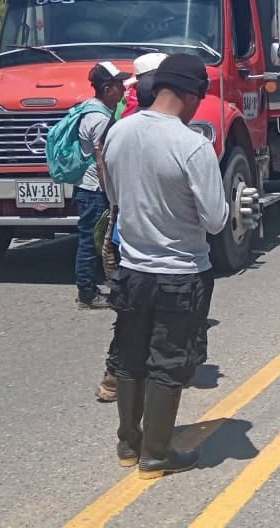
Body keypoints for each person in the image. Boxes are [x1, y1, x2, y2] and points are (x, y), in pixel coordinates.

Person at [101, 53, 230, 478]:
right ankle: (156, 451)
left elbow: (114, 196)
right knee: (168, 361)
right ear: (191, 94)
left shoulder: (118, 133)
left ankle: (128, 443)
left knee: (130, 356)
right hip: (180, 271)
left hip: (133, 267)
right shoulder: (192, 145)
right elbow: (215, 219)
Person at [94, 52, 171, 402]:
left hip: (124, 228)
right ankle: (131, 377)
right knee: (151, 309)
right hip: (151, 232)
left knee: (130, 309)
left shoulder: (119, 121)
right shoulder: (161, 124)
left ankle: (117, 376)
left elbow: (107, 176)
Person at [75, 61, 130, 310]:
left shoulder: (91, 109)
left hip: (89, 188)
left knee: (98, 241)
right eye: (118, 84)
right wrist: (110, 192)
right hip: (94, 189)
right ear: (107, 89)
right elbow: (101, 160)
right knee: (92, 241)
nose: (123, 88)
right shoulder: (98, 118)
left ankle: (97, 287)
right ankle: (87, 293)